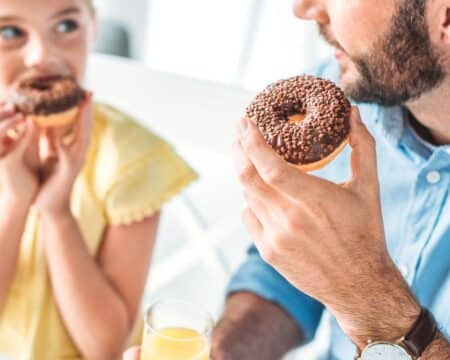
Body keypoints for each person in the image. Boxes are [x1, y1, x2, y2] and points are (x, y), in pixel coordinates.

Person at [211, 0, 450, 359]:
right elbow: (290, 277)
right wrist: (223, 351)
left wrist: (370, 299)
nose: (304, 8)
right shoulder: (346, 101)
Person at [0, 0, 196, 359]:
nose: (41, 55)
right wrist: (15, 200)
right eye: (9, 32)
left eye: (66, 26)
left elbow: (104, 347)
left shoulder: (130, 158)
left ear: (93, 29)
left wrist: (56, 211)